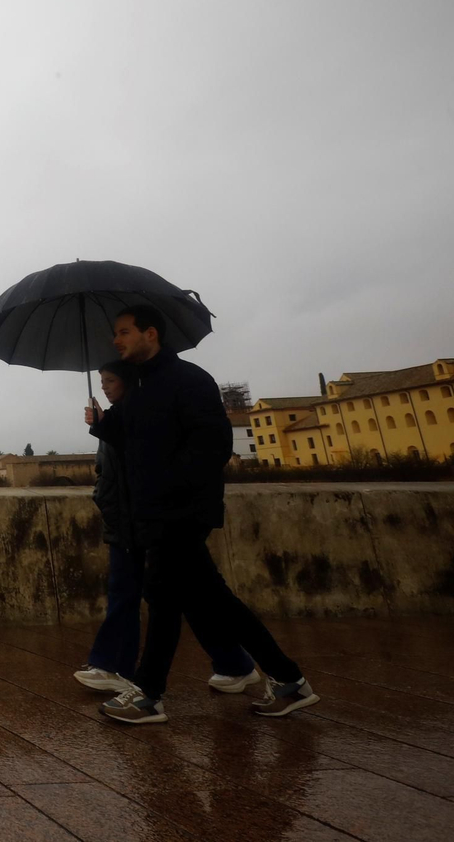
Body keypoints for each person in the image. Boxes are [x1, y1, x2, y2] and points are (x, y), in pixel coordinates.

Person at [84, 304, 320, 724]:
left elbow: (213, 446)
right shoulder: (141, 388)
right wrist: (104, 424)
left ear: (150, 333)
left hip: (182, 511)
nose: (115, 341)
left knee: (162, 597)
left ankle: (149, 694)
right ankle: (288, 680)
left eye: (123, 332)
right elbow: (137, 441)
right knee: (213, 602)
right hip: (157, 513)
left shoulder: (189, 380)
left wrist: (168, 488)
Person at [72, 360, 260, 695]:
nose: (103, 385)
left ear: (128, 382)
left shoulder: (136, 418)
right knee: (187, 598)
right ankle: (235, 663)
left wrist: (105, 427)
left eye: (110, 379)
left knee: (136, 595)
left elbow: (135, 473)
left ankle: (115, 667)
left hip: (140, 525)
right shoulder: (119, 418)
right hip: (130, 523)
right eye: (101, 380)